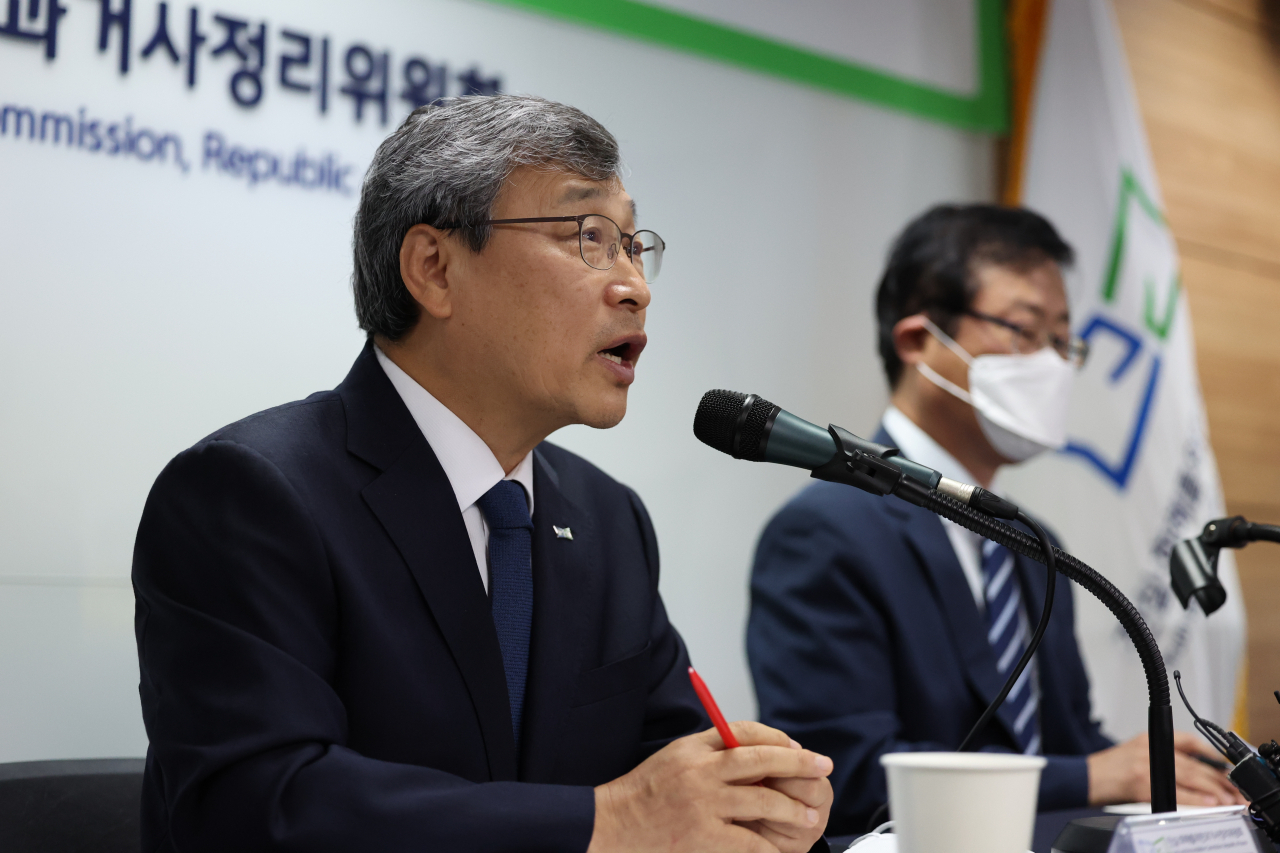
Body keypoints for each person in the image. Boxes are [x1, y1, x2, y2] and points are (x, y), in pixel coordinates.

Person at [132, 95, 833, 853]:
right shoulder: (250, 493)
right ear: (433, 269)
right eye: (589, 236)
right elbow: (261, 804)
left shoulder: (606, 519)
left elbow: (665, 769)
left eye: (635, 245)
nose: (635, 284)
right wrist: (609, 821)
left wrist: (757, 802)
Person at [745, 204, 1242, 835]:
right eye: (1024, 330)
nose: (1053, 364)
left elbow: (1066, 734)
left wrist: (1174, 771)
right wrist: (1097, 775)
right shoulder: (825, 530)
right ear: (918, 341)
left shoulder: (1034, 542)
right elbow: (843, 773)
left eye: (1064, 342)